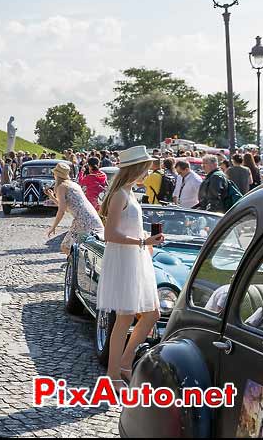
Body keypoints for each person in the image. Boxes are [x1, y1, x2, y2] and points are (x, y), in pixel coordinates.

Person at [96, 146, 164, 390]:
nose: (147, 174)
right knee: (124, 319)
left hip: (136, 257)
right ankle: (113, 375)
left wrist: (146, 240)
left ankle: (124, 363)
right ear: (135, 169)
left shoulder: (130, 193)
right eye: (145, 170)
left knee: (151, 314)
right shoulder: (119, 196)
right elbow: (109, 234)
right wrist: (143, 241)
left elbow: (126, 228)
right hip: (126, 260)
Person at [46, 162, 104, 255]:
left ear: (56, 175)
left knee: (66, 246)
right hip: (91, 217)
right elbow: (65, 208)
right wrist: (52, 197)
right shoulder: (73, 184)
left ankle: (77, 267)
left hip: (82, 219)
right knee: (77, 248)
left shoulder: (61, 187)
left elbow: (62, 210)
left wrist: (53, 227)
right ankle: (80, 265)